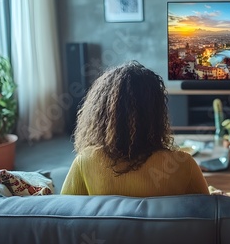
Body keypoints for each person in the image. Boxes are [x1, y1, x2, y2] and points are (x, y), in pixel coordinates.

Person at [61, 61, 209, 197]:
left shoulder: (86, 162)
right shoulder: (183, 164)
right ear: (157, 113)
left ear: (100, 113)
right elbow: (207, 211)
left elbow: (65, 213)